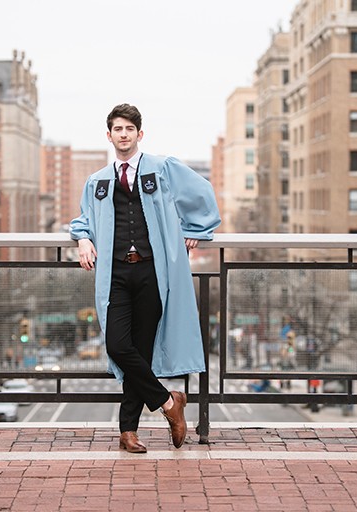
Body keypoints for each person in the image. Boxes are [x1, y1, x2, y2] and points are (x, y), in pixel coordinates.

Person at [70, 104, 220, 453]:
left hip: (153, 272)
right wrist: (82, 239)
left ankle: (128, 432)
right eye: (117, 129)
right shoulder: (98, 181)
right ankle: (170, 403)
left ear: (140, 134)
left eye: (129, 129)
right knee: (118, 345)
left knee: (140, 351)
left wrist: (197, 228)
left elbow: (201, 194)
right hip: (117, 273)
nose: (123, 135)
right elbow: (84, 219)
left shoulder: (163, 169)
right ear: (109, 136)